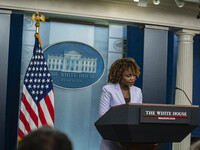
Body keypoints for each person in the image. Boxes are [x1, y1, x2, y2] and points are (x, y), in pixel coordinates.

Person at [98, 57, 143, 150]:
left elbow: (139, 114)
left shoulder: (137, 91)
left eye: (134, 75)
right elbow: (103, 116)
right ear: (119, 75)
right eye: (128, 75)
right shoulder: (108, 90)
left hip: (132, 140)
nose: (132, 78)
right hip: (112, 139)